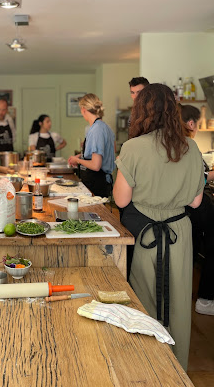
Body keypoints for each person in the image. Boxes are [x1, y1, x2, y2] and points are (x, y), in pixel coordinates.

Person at [113, 84, 204, 370]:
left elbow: (121, 198)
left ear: (141, 111)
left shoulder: (132, 148)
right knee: (177, 302)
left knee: (145, 300)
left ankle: (146, 370)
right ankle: (176, 371)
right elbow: (196, 201)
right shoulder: (191, 147)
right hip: (179, 233)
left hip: (146, 234)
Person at [180, 104, 214, 316]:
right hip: (197, 206)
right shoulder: (189, 145)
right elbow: (198, 180)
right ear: (191, 123)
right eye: (198, 124)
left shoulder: (177, 143)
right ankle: (206, 298)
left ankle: (185, 297)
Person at [67, 94, 115, 197]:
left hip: (97, 183)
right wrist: (81, 156)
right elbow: (102, 153)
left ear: (83, 109)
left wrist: (78, 161)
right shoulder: (103, 127)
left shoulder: (96, 130)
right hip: (97, 181)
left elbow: (96, 165)